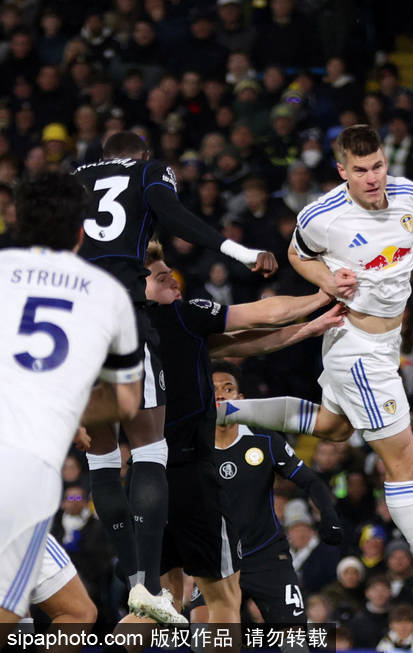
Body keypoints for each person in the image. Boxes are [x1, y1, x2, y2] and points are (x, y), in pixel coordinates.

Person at [218, 125, 413, 612]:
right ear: (342, 171)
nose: (372, 178)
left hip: (385, 342)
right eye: (360, 170)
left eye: (377, 166)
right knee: (404, 463)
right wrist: (328, 279)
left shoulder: (409, 195)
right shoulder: (322, 216)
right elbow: (296, 254)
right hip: (357, 351)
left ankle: (226, 411)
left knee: (333, 428)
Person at [73, 131, 277, 609]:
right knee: (149, 449)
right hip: (122, 315)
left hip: (76, 318)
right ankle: (147, 585)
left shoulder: (74, 178)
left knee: (102, 459)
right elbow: (176, 217)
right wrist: (240, 252)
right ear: (142, 155)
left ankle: (133, 576)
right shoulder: (149, 171)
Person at [130, 241, 347, 628]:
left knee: (161, 602)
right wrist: (320, 296)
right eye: (162, 279)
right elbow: (263, 314)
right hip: (188, 474)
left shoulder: (123, 332)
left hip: (145, 478)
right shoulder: (183, 315)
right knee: (225, 600)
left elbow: (243, 343)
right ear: (139, 286)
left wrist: (310, 328)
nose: (174, 282)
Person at [0, 173, 142, 632]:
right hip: (25, 472)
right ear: (81, 233)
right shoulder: (109, 295)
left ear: (16, 221)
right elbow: (126, 402)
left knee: (78, 614)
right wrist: (65, 411)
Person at [188, 363, 345, 632]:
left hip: (268, 557)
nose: (220, 394)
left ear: (241, 399)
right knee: (203, 633)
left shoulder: (264, 439)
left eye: (228, 388)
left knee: (295, 641)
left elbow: (310, 481)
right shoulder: (190, 447)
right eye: (213, 389)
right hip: (215, 559)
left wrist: (329, 517)